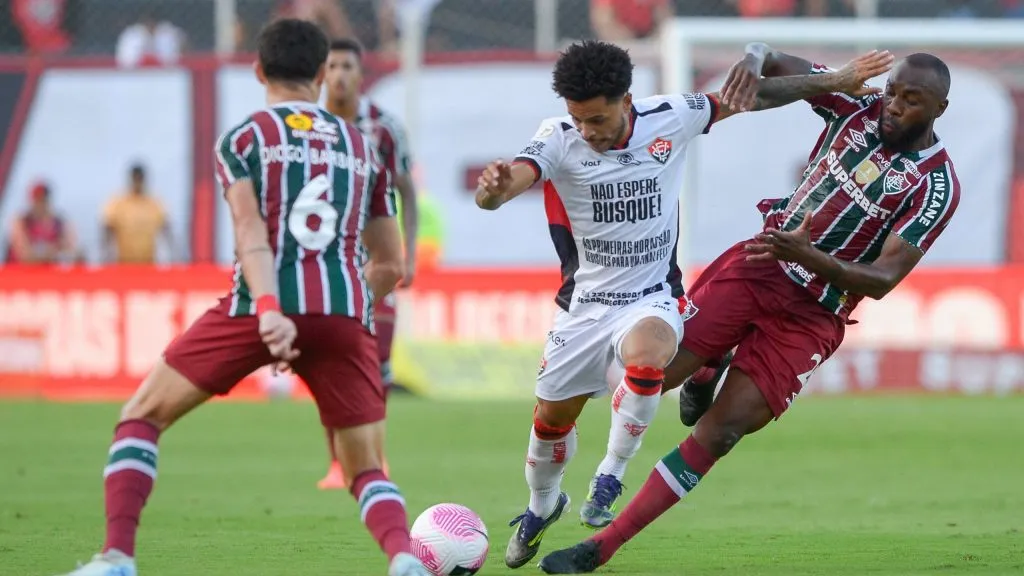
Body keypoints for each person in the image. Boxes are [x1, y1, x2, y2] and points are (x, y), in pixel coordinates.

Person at [474, 39, 893, 569]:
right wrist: (493, 191)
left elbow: (751, 97)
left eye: (597, 119)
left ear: (627, 101)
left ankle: (610, 476)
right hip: (583, 306)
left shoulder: (670, 116)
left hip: (650, 297)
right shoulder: (557, 137)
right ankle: (542, 504)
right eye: (579, 119)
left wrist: (835, 81)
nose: (588, 131)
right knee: (550, 425)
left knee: (649, 359)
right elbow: (513, 181)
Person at [57, 19, 430, 576]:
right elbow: (391, 264)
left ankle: (116, 559)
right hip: (343, 312)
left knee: (141, 416)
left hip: (255, 309)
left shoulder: (244, 139)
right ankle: (403, 558)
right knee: (365, 469)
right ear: (322, 73)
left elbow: (252, 232)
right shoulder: (363, 146)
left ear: (258, 71)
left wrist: (272, 314)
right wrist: (348, 307)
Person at [316, 37, 420, 490]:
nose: (339, 75)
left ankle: (375, 458)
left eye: (347, 66)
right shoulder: (309, 127)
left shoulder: (384, 129)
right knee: (329, 363)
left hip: (376, 260)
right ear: (322, 74)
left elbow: (407, 191)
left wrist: (408, 253)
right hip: (325, 261)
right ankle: (338, 463)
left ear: (361, 74)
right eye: (332, 66)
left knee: (377, 363)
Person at [102, 163, 175, 264]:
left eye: (139, 179)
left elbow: (166, 229)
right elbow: (107, 228)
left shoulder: (154, 203)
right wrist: (105, 254)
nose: (137, 182)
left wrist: (174, 255)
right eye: (135, 179)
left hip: (148, 263)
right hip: (123, 263)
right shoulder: (118, 203)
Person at [4, 181, 79, 265]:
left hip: (50, 271)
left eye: (44, 199)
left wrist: (54, 253)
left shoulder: (60, 223)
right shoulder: (22, 221)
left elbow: (71, 251)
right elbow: (25, 256)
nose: (41, 203)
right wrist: (53, 253)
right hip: (20, 271)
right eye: (38, 199)